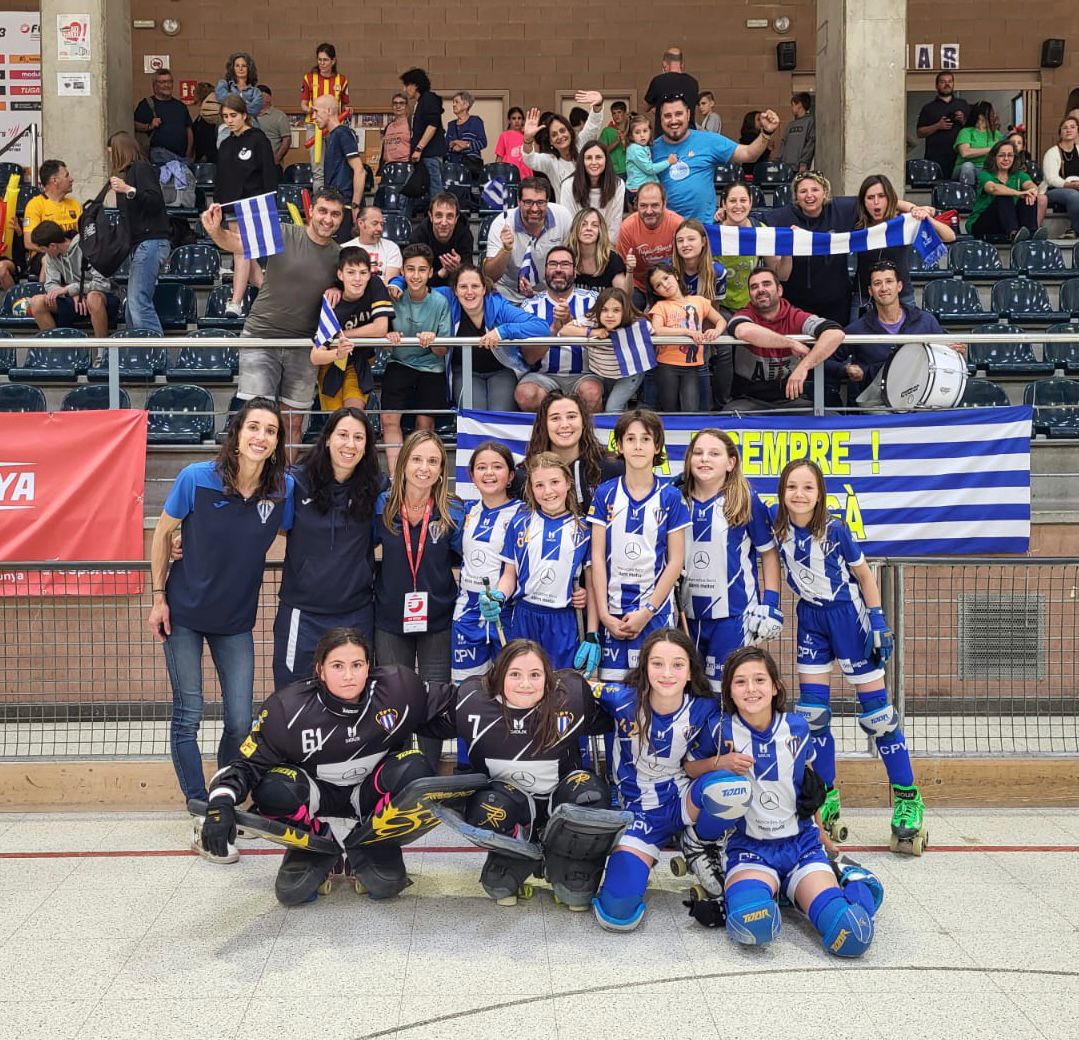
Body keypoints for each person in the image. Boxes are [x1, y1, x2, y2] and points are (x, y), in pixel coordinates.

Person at [192, 627, 453, 904]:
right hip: (315, 792)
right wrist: (219, 804)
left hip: (371, 790)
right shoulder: (286, 710)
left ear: (369, 667)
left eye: (357, 665)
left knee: (417, 769)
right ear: (320, 669)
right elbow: (244, 766)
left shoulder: (399, 688)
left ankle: (371, 843)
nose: (349, 675)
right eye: (337, 666)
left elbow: (461, 706)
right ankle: (315, 846)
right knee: (272, 789)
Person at [772, 457, 926, 853]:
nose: (799, 494)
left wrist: (878, 621)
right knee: (813, 716)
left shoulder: (836, 530)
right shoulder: (776, 527)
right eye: (792, 486)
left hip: (849, 619)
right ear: (782, 491)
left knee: (878, 715)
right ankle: (827, 794)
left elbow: (864, 574)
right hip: (810, 620)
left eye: (808, 487)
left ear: (819, 492)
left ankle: (908, 800)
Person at [148, 398, 294, 803]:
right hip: (184, 615)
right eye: (254, 427)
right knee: (189, 713)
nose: (261, 437)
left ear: (278, 441)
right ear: (237, 434)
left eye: (270, 430)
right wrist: (159, 597)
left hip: (235, 621)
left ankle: (223, 797)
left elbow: (299, 531)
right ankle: (198, 802)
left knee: (240, 721)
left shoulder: (283, 489)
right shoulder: (196, 478)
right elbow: (162, 534)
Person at [703, 646, 884, 956]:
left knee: (851, 934)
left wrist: (821, 831)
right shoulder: (720, 731)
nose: (751, 689)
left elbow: (808, 782)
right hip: (750, 849)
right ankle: (777, 892)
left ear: (775, 687)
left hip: (801, 846)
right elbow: (690, 769)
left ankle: (848, 880)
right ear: (729, 692)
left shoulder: (797, 727)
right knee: (753, 924)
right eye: (740, 682)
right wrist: (719, 763)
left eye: (759, 680)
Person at [427, 641, 615, 906]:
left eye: (535, 675)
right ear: (498, 675)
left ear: (547, 677)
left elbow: (610, 717)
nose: (525, 684)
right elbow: (422, 718)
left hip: (561, 798)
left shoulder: (571, 695)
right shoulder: (471, 700)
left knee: (592, 796)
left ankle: (567, 858)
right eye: (515, 674)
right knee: (486, 808)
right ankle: (512, 854)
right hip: (511, 803)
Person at [589, 627, 726, 931]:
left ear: (691, 671)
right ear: (644, 668)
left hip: (684, 800)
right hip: (640, 815)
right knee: (617, 914)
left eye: (678, 664)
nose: (667, 673)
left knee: (728, 787)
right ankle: (641, 859)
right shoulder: (621, 699)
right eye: (657, 664)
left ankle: (701, 841)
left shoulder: (705, 707)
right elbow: (577, 687)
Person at [200, 188, 344, 452]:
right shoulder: (283, 232)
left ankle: (284, 487)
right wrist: (215, 230)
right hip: (261, 338)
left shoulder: (339, 255)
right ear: (310, 211)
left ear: (342, 219)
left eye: (335, 214)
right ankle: (252, 486)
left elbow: (355, 288)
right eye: (323, 211)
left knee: (293, 425)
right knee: (257, 422)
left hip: (304, 346)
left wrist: (338, 287)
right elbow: (237, 244)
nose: (328, 219)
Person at [374, 430, 464, 768]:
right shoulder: (383, 505)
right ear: (403, 463)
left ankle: (426, 772)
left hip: (438, 620)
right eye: (417, 459)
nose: (424, 468)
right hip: (389, 619)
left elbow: (470, 557)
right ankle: (398, 771)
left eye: (433, 461)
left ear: (442, 470)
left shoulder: (452, 508)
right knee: (394, 696)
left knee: (434, 698)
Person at [272, 408, 380, 686]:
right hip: (302, 613)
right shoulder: (296, 482)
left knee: (353, 695)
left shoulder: (377, 487)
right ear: (328, 439)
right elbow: (254, 521)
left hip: (355, 613)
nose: (350, 444)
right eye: (343, 435)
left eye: (359, 437)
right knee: (293, 696)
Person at [588, 409, 690, 681]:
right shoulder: (604, 493)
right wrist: (604, 615)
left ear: (657, 446)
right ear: (619, 446)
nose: (637, 446)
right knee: (614, 695)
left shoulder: (670, 497)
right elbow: (597, 557)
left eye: (646, 439)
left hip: (654, 614)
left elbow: (675, 561)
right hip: (614, 614)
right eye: (630, 439)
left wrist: (648, 611)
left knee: (656, 687)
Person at [679, 429, 782, 692]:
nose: (704, 459)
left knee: (726, 695)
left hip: (733, 617)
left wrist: (770, 604)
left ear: (730, 462)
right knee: (691, 694)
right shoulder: (676, 498)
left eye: (714, 454)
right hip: (685, 616)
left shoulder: (745, 499)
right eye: (698, 453)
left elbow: (769, 553)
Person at [766, 171, 938, 325]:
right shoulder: (782, 217)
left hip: (836, 302)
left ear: (825, 192)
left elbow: (879, 200)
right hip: (797, 301)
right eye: (803, 191)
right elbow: (757, 225)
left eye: (815, 190)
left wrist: (914, 209)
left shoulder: (843, 208)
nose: (809, 195)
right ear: (796, 196)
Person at [481, 453, 595, 669]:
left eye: (555, 482)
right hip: (525, 616)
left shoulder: (583, 528)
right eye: (539, 485)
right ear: (531, 488)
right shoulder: (520, 523)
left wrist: (591, 632)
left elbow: (591, 584)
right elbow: (509, 576)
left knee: (561, 690)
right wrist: (497, 597)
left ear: (568, 483)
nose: (548, 491)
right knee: (524, 683)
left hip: (563, 621)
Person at [842, 260, 966, 403]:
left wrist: (958, 353)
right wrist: (845, 368)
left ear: (899, 286)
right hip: (876, 407)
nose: (884, 288)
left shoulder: (925, 321)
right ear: (870, 291)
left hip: (920, 404)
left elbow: (944, 358)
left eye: (889, 281)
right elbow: (828, 361)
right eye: (877, 283)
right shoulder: (857, 329)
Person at [726, 267, 845, 410]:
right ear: (750, 295)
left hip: (791, 400)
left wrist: (804, 366)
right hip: (748, 401)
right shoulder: (744, 314)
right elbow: (743, 331)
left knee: (828, 420)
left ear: (780, 290)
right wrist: (791, 343)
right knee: (727, 420)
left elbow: (835, 333)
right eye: (754, 287)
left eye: (766, 284)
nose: (760, 290)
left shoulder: (795, 316)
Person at [450, 442, 520, 682]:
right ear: (471, 475)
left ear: (510, 475)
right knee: (465, 691)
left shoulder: (523, 514)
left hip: (505, 614)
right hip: (466, 614)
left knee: (507, 688)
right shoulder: (465, 511)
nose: (489, 473)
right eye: (481, 467)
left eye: (497, 467)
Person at [438, 263, 548, 409]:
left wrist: (502, 332)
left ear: (484, 289)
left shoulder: (498, 306)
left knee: (500, 415)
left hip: (500, 370)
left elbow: (542, 327)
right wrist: (397, 283)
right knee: (474, 415)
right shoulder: (447, 298)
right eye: (463, 287)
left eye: (475, 286)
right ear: (455, 290)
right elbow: (416, 289)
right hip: (464, 371)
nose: (469, 292)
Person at [382, 244, 452, 470]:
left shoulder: (440, 302)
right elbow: (380, 337)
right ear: (402, 271)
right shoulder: (394, 297)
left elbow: (443, 351)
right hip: (399, 363)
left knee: (424, 425)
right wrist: (387, 335)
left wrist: (433, 342)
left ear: (431, 272)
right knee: (389, 420)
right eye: (410, 269)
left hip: (431, 368)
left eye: (422, 270)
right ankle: (395, 478)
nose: (416, 275)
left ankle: (417, 474)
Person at [652, 98, 779, 223]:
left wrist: (766, 132)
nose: (673, 120)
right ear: (660, 118)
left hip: (704, 229)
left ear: (688, 114)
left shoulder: (708, 141)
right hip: (666, 230)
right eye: (668, 115)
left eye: (679, 114)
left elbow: (748, 154)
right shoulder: (651, 149)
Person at [516, 246, 603, 412]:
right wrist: (554, 329)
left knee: (591, 392)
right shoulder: (529, 306)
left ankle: (589, 438)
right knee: (525, 394)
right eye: (553, 264)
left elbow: (603, 343)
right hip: (542, 376)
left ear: (575, 271)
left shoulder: (593, 301)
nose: (558, 269)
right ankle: (539, 438)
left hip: (585, 374)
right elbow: (529, 358)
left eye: (564, 264)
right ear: (545, 271)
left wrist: (570, 324)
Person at [214, 94, 277, 318]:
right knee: (246, 256)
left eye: (233, 115)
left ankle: (235, 302)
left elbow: (269, 172)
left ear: (244, 115)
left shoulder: (258, 139)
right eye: (225, 116)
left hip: (254, 204)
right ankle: (273, 297)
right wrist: (218, 205)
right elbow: (220, 177)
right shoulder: (226, 144)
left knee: (242, 252)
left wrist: (271, 202)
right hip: (231, 205)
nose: (229, 120)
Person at [309, 246, 393, 412]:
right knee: (336, 422)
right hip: (332, 364)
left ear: (370, 274)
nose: (357, 279)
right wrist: (338, 353)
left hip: (360, 362)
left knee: (354, 416)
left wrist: (341, 335)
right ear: (340, 275)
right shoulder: (331, 304)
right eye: (351, 272)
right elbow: (315, 355)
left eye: (363, 273)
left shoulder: (375, 285)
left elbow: (380, 328)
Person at [509, 391, 624, 512]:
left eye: (571, 416)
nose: (564, 424)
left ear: (583, 422)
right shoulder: (525, 475)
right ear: (544, 425)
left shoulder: (612, 468)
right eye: (555, 418)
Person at [853, 173, 953, 312]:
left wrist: (922, 215)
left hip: (901, 295)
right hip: (864, 297)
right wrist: (910, 206)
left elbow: (949, 236)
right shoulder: (857, 222)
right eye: (870, 197)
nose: (876, 202)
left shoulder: (902, 221)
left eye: (882, 196)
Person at [106, 131, 170, 335]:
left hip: (151, 241)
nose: (111, 158)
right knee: (132, 307)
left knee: (138, 301)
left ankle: (156, 356)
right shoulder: (133, 172)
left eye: (112, 152)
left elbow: (154, 200)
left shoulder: (141, 168)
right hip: (142, 243)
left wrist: (128, 190)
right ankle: (137, 356)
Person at [646, 263, 726, 412]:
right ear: (656, 292)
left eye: (666, 277)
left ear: (675, 275)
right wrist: (686, 332)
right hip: (667, 364)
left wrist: (716, 331)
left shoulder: (699, 301)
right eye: (658, 285)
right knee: (669, 409)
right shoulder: (660, 306)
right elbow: (657, 330)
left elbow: (721, 320)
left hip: (692, 366)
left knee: (691, 409)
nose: (665, 284)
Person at [483, 176, 574, 303]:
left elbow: (571, 263)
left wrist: (553, 295)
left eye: (540, 202)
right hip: (508, 296)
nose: (535, 209)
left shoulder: (562, 216)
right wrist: (505, 250)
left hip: (550, 294)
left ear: (548, 201)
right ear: (519, 201)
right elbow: (489, 276)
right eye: (528, 202)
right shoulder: (502, 223)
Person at [559, 287, 647, 411]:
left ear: (625, 311)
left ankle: (614, 430)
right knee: (617, 406)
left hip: (631, 372)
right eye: (604, 310)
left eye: (616, 310)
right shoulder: (592, 320)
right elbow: (564, 331)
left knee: (612, 408)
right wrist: (593, 332)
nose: (610, 315)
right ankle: (621, 428)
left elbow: (655, 331)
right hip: (607, 371)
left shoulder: (635, 323)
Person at [28, 221, 119, 338]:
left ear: (52, 246)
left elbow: (103, 284)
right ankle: (57, 352)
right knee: (37, 302)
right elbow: (50, 284)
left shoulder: (87, 246)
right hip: (74, 299)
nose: (43, 252)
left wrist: (73, 289)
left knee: (93, 298)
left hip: (101, 297)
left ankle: (102, 351)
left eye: (43, 249)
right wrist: (71, 294)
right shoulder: (50, 257)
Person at [711, 181, 789, 313]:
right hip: (718, 306)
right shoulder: (713, 232)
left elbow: (781, 275)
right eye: (732, 201)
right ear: (723, 204)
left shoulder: (760, 230)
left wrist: (789, 248)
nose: (738, 205)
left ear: (750, 202)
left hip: (752, 306)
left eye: (743, 200)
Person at [616, 181, 683, 309]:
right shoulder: (627, 227)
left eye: (655, 205)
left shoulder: (677, 224)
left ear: (664, 204)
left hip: (668, 282)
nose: (649, 211)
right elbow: (622, 268)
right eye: (643, 206)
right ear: (636, 205)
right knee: (628, 307)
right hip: (639, 284)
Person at [521, 92, 605, 186]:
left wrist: (598, 105)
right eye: (554, 134)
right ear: (551, 142)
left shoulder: (580, 144)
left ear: (570, 131)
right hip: (562, 201)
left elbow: (592, 125)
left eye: (562, 130)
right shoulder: (550, 161)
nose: (560, 136)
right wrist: (527, 139)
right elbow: (530, 159)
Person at [313, 95, 366, 242]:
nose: (314, 116)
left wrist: (354, 206)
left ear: (328, 111)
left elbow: (360, 171)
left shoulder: (342, 133)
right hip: (336, 202)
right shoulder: (332, 136)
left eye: (316, 111)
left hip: (345, 204)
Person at [967, 139, 1041, 243]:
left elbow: (1030, 185)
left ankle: (1032, 233)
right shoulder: (985, 174)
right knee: (1003, 196)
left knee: (1029, 197)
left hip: (1005, 223)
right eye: (1001, 155)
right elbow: (993, 188)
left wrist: (1031, 191)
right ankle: (1013, 234)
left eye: (1010, 155)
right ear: (994, 158)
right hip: (981, 224)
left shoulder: (1019, 175)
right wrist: (1019, 193)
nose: (1006, 159)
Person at [22, 159, 82, 277]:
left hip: (72, 254)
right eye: (67, 175)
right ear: (55, 180)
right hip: (44, 255)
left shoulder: (75, 204)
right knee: (48, 260)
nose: (71, 179)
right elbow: (28, 243)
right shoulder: (34, 205)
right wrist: (54, 251)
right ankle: (44, 293)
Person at [400, 67, 446, 212]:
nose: (405, 89)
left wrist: (419, 148)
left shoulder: (429, 99)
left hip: (429, 156)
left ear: (416, 85)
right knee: (411, 192)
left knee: (435, 194)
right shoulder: (420, 102)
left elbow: (432, 125)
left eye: (407, 85)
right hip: (423, 157)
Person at [559, 141, 626, 240]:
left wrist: (604, 250)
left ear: (606, 160)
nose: (594, 162)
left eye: (598, 157)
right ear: (582, 161)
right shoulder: (568, 185)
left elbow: (615, 224)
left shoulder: (618, 184)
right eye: (589, 158)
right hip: (576, 243)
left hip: (606, 245)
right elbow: (569, 223)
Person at [300, 43, 350, 177]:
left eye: (326, 60)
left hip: (334, 128)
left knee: (335, 165)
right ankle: (319, 197)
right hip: (314, 125)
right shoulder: (309, 78)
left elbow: (344, 105)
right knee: (318, 170)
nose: (322, 63)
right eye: (320, 59)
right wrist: (310, 110)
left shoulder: (342, 80)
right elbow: (303, 105)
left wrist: (348, 111)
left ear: (333, 61)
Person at [407, 191, 474, 288]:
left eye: (450, 216)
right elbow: (414, 279)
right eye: (438, 215)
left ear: (456, 218)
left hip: (455, 288)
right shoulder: (418, 236)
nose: (444, 222)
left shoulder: (465, 235)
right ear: (431, 216)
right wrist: (441, 273)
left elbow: (469, 277)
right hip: (425, 289)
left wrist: (460, 268)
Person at [133, 68, 193, 165]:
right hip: (159, 157)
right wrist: (149, 126)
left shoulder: (180, 106)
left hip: (181, 159)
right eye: (163, 82)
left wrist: (189, 153)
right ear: (154, 85)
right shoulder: (146, 104)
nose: (167, 85)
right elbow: (134, 124)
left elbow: (188, 130)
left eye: (169, 82)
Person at [916, 71, 970, 174]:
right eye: (943, 82)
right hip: (935, 158)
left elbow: (973, 129)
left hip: (959, 157)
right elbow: (919, 133)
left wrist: (963, 120)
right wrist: (937, 126)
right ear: (936, 86)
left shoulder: (963, 104)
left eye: (950, 81)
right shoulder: (928, 108)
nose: (947, 84)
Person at [566, 207, 628, 293]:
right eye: (583, 224)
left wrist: (630, 271)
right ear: (575, 228)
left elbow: (623, 295)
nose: (589, 228)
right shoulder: (566, 257)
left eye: (594, 225)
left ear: (600, 231)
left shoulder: (612, 259)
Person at [623, 115, 675, 211]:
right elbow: (649, 169)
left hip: (643, 188)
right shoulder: (635, 149)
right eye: (637, 132)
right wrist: (668, 162)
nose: (642, 135)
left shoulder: (643, 147)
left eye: (645, 131)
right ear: (631, 135)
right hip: (638, 190)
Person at [1041, 115, 1079, 238]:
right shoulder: (1052, 153)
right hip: (1052, 191)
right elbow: (1051, 179)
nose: (1068, 130)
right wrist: (1070, 185)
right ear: (1060, 133)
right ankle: (1076, 229)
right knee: (1073, 195)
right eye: (1065, 128)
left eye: (1072, 127)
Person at [343, 205, 402, 281]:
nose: (380, 228)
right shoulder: (345, 249)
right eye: (375, 223)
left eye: (382, 224)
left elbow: (389, 284)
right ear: (361, 223)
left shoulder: (391, 248)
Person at [644, 47, 700, 126]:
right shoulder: (693, 82)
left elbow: (645, 107)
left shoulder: (658, 81)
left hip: (665, 134)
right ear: (682, 65)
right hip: (689, 134)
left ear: (664, 65)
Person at [215, 52, 262, 144]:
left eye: (244, 66)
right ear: (232, 68)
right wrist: (245, 104)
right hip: (228, 128)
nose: (240, 69)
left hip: (250, 128)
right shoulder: (224, 84)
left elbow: (254, 110)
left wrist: (234, 103)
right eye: (237, 66)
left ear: (249, 69)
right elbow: (221, 97)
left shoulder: (256, 91)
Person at [953, 100, 1002, 187]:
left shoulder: (997, 134)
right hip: (965, 169)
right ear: (980, 116)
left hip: (987, 169)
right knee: (968, 166)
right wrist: (991, 149)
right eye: (991, 113)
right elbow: (965, 153)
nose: (994, 116)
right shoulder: (966, 132)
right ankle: (968, 196)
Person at [256, 86, 293, 175]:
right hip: (252, 164)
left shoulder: (279, 116)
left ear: (269, 98)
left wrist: (277, 159)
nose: (256, 98)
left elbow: (287, 139)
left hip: (273, 164)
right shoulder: (250, 115)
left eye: (260, 96)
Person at [446, 91, 487, 168]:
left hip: (471, 165)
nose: (453, 105)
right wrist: (456, 142)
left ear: (466, 105)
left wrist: (467, 145)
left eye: (457, 102)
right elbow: (446, 145)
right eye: (453, 102)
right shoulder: (451, 125)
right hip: (453, 166)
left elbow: (483, 142)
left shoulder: (475, 121)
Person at [777, 93, 815, 172]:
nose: (791, 108)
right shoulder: (790, 125)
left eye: (793, 105)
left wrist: (804, 162)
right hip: (786, 166)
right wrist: (779, 160)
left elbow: (810, 143)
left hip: (800, 167)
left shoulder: (810, 121)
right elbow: (784, 142)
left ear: (799, 105)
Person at [380, 93, 412, 169]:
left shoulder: (411, 124)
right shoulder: (389, 126)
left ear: (406, 106)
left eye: (401, 103)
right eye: (395, 103)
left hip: (405, 165)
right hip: (388, 166)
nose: (398, 106)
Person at [495, 107, 529, 179]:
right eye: (513, 118)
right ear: (509, 121)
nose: (516, 121)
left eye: (519, 118)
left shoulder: (527, 135)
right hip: (509, 172)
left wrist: (528, 134)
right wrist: (496, 174)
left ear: (523, 120)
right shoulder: (504, 135)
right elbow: (499, 157)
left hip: (525, 172)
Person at [598, 101, 629, 179]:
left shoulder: (632, 130)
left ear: (625, 113)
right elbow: (601, 152)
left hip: (630, 170)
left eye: (619, 112)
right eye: (614, 113)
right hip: (613, 171)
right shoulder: (607, 131)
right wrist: (617, 141)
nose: (616, 116)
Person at [190, 82, 220, 163]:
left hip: (208, 158)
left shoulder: (209, 116)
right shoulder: (202, 116)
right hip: (204, 156)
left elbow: (208, 138)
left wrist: (205, 156)